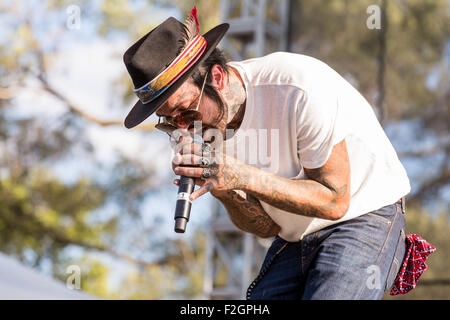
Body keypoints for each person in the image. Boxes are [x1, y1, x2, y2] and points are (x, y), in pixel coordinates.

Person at [122, 7, 411, 299]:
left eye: (185, 110)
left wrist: (241, 176)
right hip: (295, 236)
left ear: (217, 77)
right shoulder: (192, 129)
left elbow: (336, 201)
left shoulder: (297, 87)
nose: (183, 126)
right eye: (169, 121)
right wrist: (223, 188)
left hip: (363, 216)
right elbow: (266, 226)